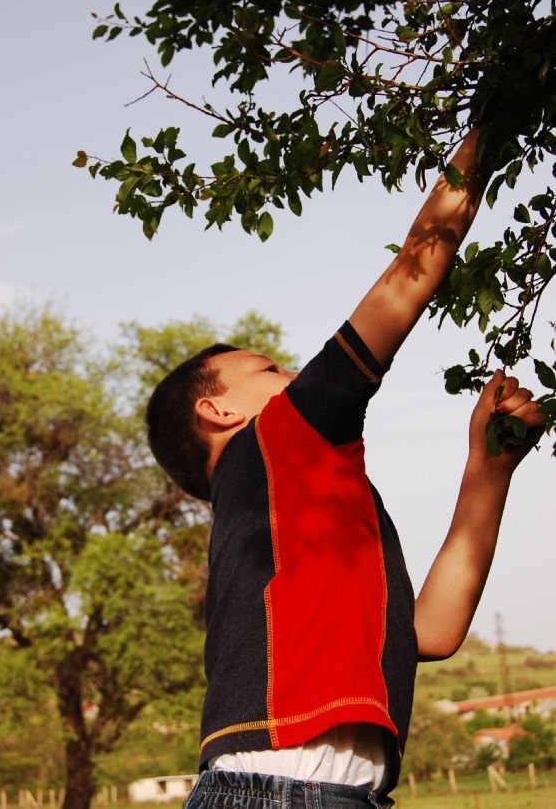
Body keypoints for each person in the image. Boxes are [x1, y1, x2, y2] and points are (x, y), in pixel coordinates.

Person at [146, 130, 546, 809]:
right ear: (216, 411)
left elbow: (432, 631)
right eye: (269, 370)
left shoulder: (293, 538)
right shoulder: (276, 439)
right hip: (276, 793)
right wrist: (486, 132)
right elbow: (404, 283)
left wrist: (489, 469)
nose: (296, 375)